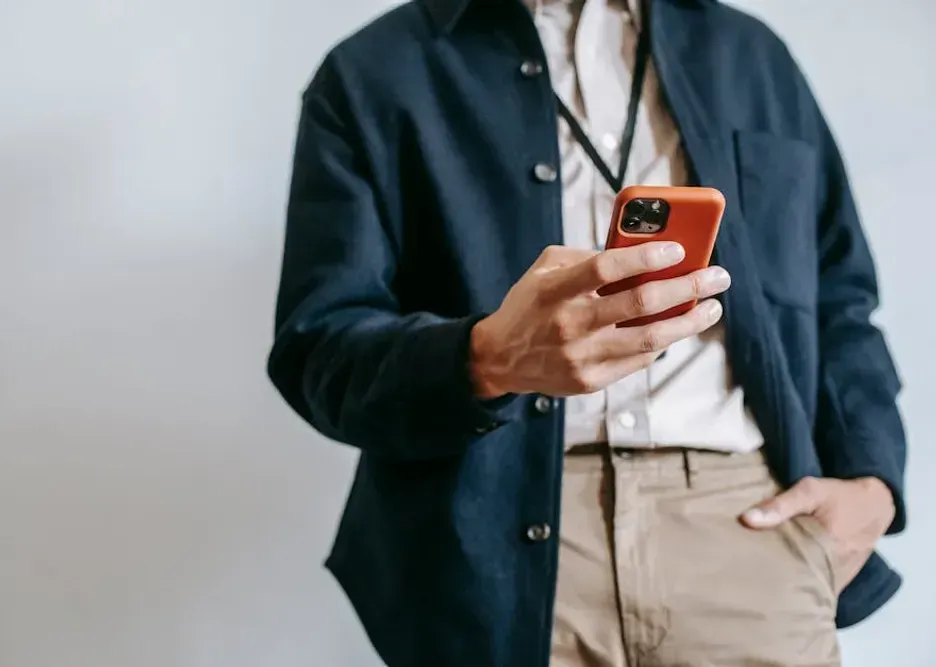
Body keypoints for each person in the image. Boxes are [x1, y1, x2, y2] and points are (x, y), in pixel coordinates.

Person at [268, 0, 907, 665]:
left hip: (746, 526)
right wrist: (484, 358)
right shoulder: (371, 71)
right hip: (490, 545)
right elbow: (318, 348)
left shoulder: (752, 56)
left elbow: (842, 297)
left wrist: (874, 481)